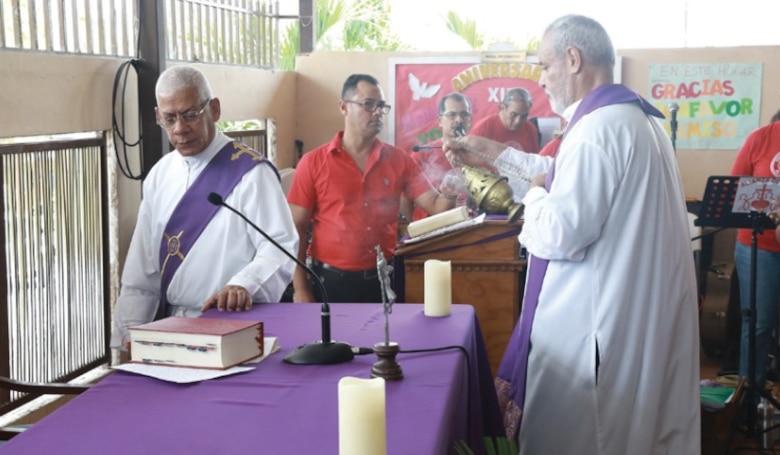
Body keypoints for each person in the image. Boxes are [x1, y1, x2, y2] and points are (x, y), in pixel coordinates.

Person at [459, 15, 700, 454]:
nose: (543, 81)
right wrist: (492, 153)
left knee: (586, 440)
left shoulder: (596, 130)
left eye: (545, 66)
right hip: (633, 324)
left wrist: (528, 202)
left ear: (573, 59)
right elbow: (560, 175)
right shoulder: (633, 119)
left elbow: (559, 231)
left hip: (594, 337)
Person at [110, 65, 298, 353]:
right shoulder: (160, 175)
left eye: (190, 115)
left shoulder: (250, 172)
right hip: (173, 329)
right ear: (158, 116)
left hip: (235, 329)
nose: (179, 129)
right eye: (169, 119)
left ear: (215, 109)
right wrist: (125, 341)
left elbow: (279, 247)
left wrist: (244, 285)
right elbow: (141, 272)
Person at [287, 73, 456, 303]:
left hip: (383, 280)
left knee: (383, 340)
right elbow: (296, 227)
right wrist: (301, 289)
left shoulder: (399, 160)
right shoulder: (314, 162)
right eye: (368, 105)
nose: (377, 112)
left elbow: (437, 206)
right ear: (344, 107)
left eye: (381, 106)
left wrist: (451, 187)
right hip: (329, 283)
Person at [730, 113, 780, 392]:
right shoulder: (760, 138)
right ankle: (749, 399)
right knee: (759, 323)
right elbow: (733, 189)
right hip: (759, 246)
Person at [405, 92, 473, 221]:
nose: (459, 120)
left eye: (464, 114)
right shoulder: (422, 154)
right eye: (452, 115)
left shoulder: (479, 154)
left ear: (470, 119)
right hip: (433, 233)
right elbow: (404, 198)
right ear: (440, 121)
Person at [470, 87, 540, 153]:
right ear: (502, 107)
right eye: (513, 115)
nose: (518, 121)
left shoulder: (530, 129)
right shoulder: (483, 128)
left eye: (524, 116)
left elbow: (535, 161)